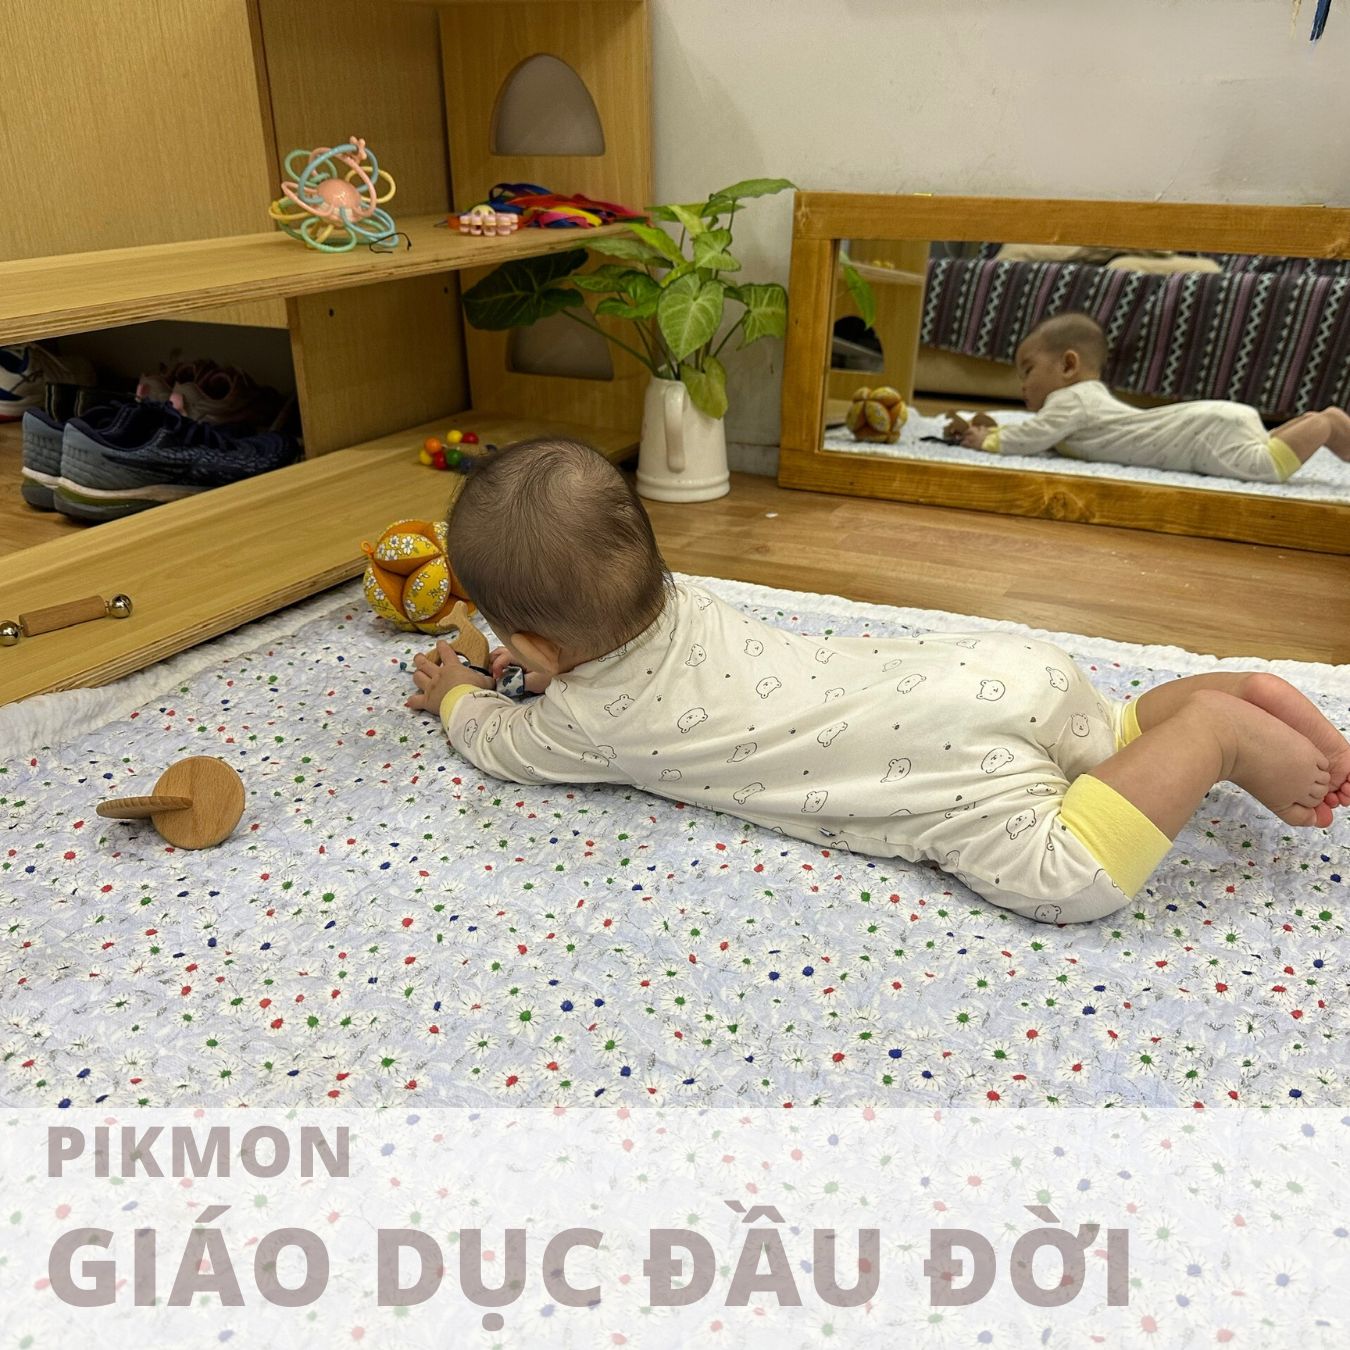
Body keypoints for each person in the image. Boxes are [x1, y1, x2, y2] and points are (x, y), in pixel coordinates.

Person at [405, 438, 1348, 924]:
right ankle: (1199, 708)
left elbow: (499, 741)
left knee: (1068, 875)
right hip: (1002, 672)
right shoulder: (681, 600)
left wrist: (456, 689)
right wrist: (539, 662)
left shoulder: (592, 722)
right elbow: (601, 645)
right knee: (1103, 732)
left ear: (536, 646)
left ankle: (1217, 733)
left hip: (953, 761)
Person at [960, 311, 1350, 481]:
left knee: (1266, 466)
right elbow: (1045, 433)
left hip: (1201, 433)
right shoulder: (1087, 400)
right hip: (1212, 420)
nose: (1023, 386)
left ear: (1068, 365)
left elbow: (1031, 437)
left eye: (1028, 370)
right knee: (1264, 445)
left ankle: (1324, 425)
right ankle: (1331, 420)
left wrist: (987, 440)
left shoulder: (1071, 400)